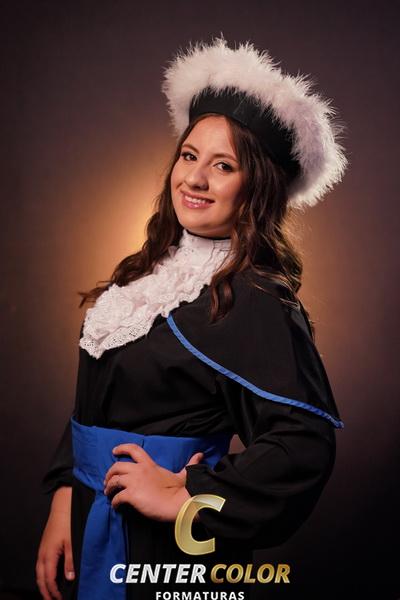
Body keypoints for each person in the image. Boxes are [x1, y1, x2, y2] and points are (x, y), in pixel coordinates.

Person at [36, 34, 348, 600]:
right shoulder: (146, 270)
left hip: (168, 552)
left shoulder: (253, 295)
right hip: (91, 516)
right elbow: (99, 402)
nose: (195, 179)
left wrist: (186, 495)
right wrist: (66, 498)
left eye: (223, 165)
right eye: (188, 156)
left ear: (257, 186)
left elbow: (302, 445)